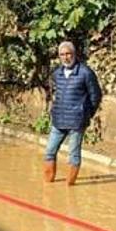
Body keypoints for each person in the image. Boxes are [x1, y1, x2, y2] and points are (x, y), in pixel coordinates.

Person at [43, 41, 102, 186]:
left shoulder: (85, 73)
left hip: (77, 121)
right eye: (62, 55)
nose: (65, 57)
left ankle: (70, 185)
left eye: (68, 54)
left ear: (74, 54)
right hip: (58, 119)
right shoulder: (57, 73)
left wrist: (86, 113)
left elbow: (96, 96)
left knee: (73, 155)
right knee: (49, 151)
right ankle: (48, 182)